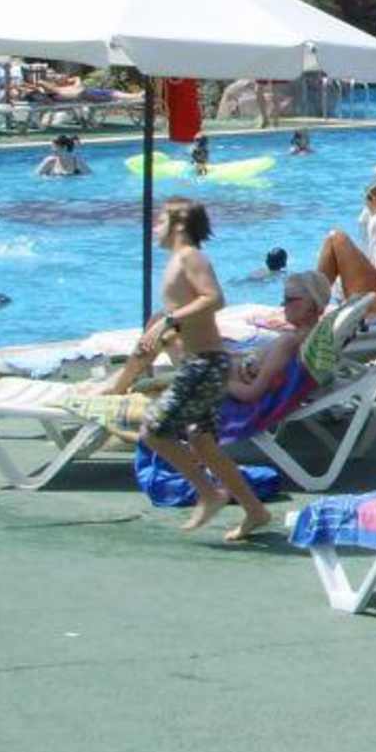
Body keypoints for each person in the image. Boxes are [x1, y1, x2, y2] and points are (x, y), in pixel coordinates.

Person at [136, 198, 272, 541]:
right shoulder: (176, 262)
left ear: (179, 225)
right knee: (202, 442)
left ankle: (208, 493)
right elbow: (190, 313)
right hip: (203, 363)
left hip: (205, 365)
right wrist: (168, 333)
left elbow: (214, 298)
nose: (154, 227)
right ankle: (255, 511)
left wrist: (169, 320)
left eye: (160, 220)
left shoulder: (190, 257)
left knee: (153, 430)